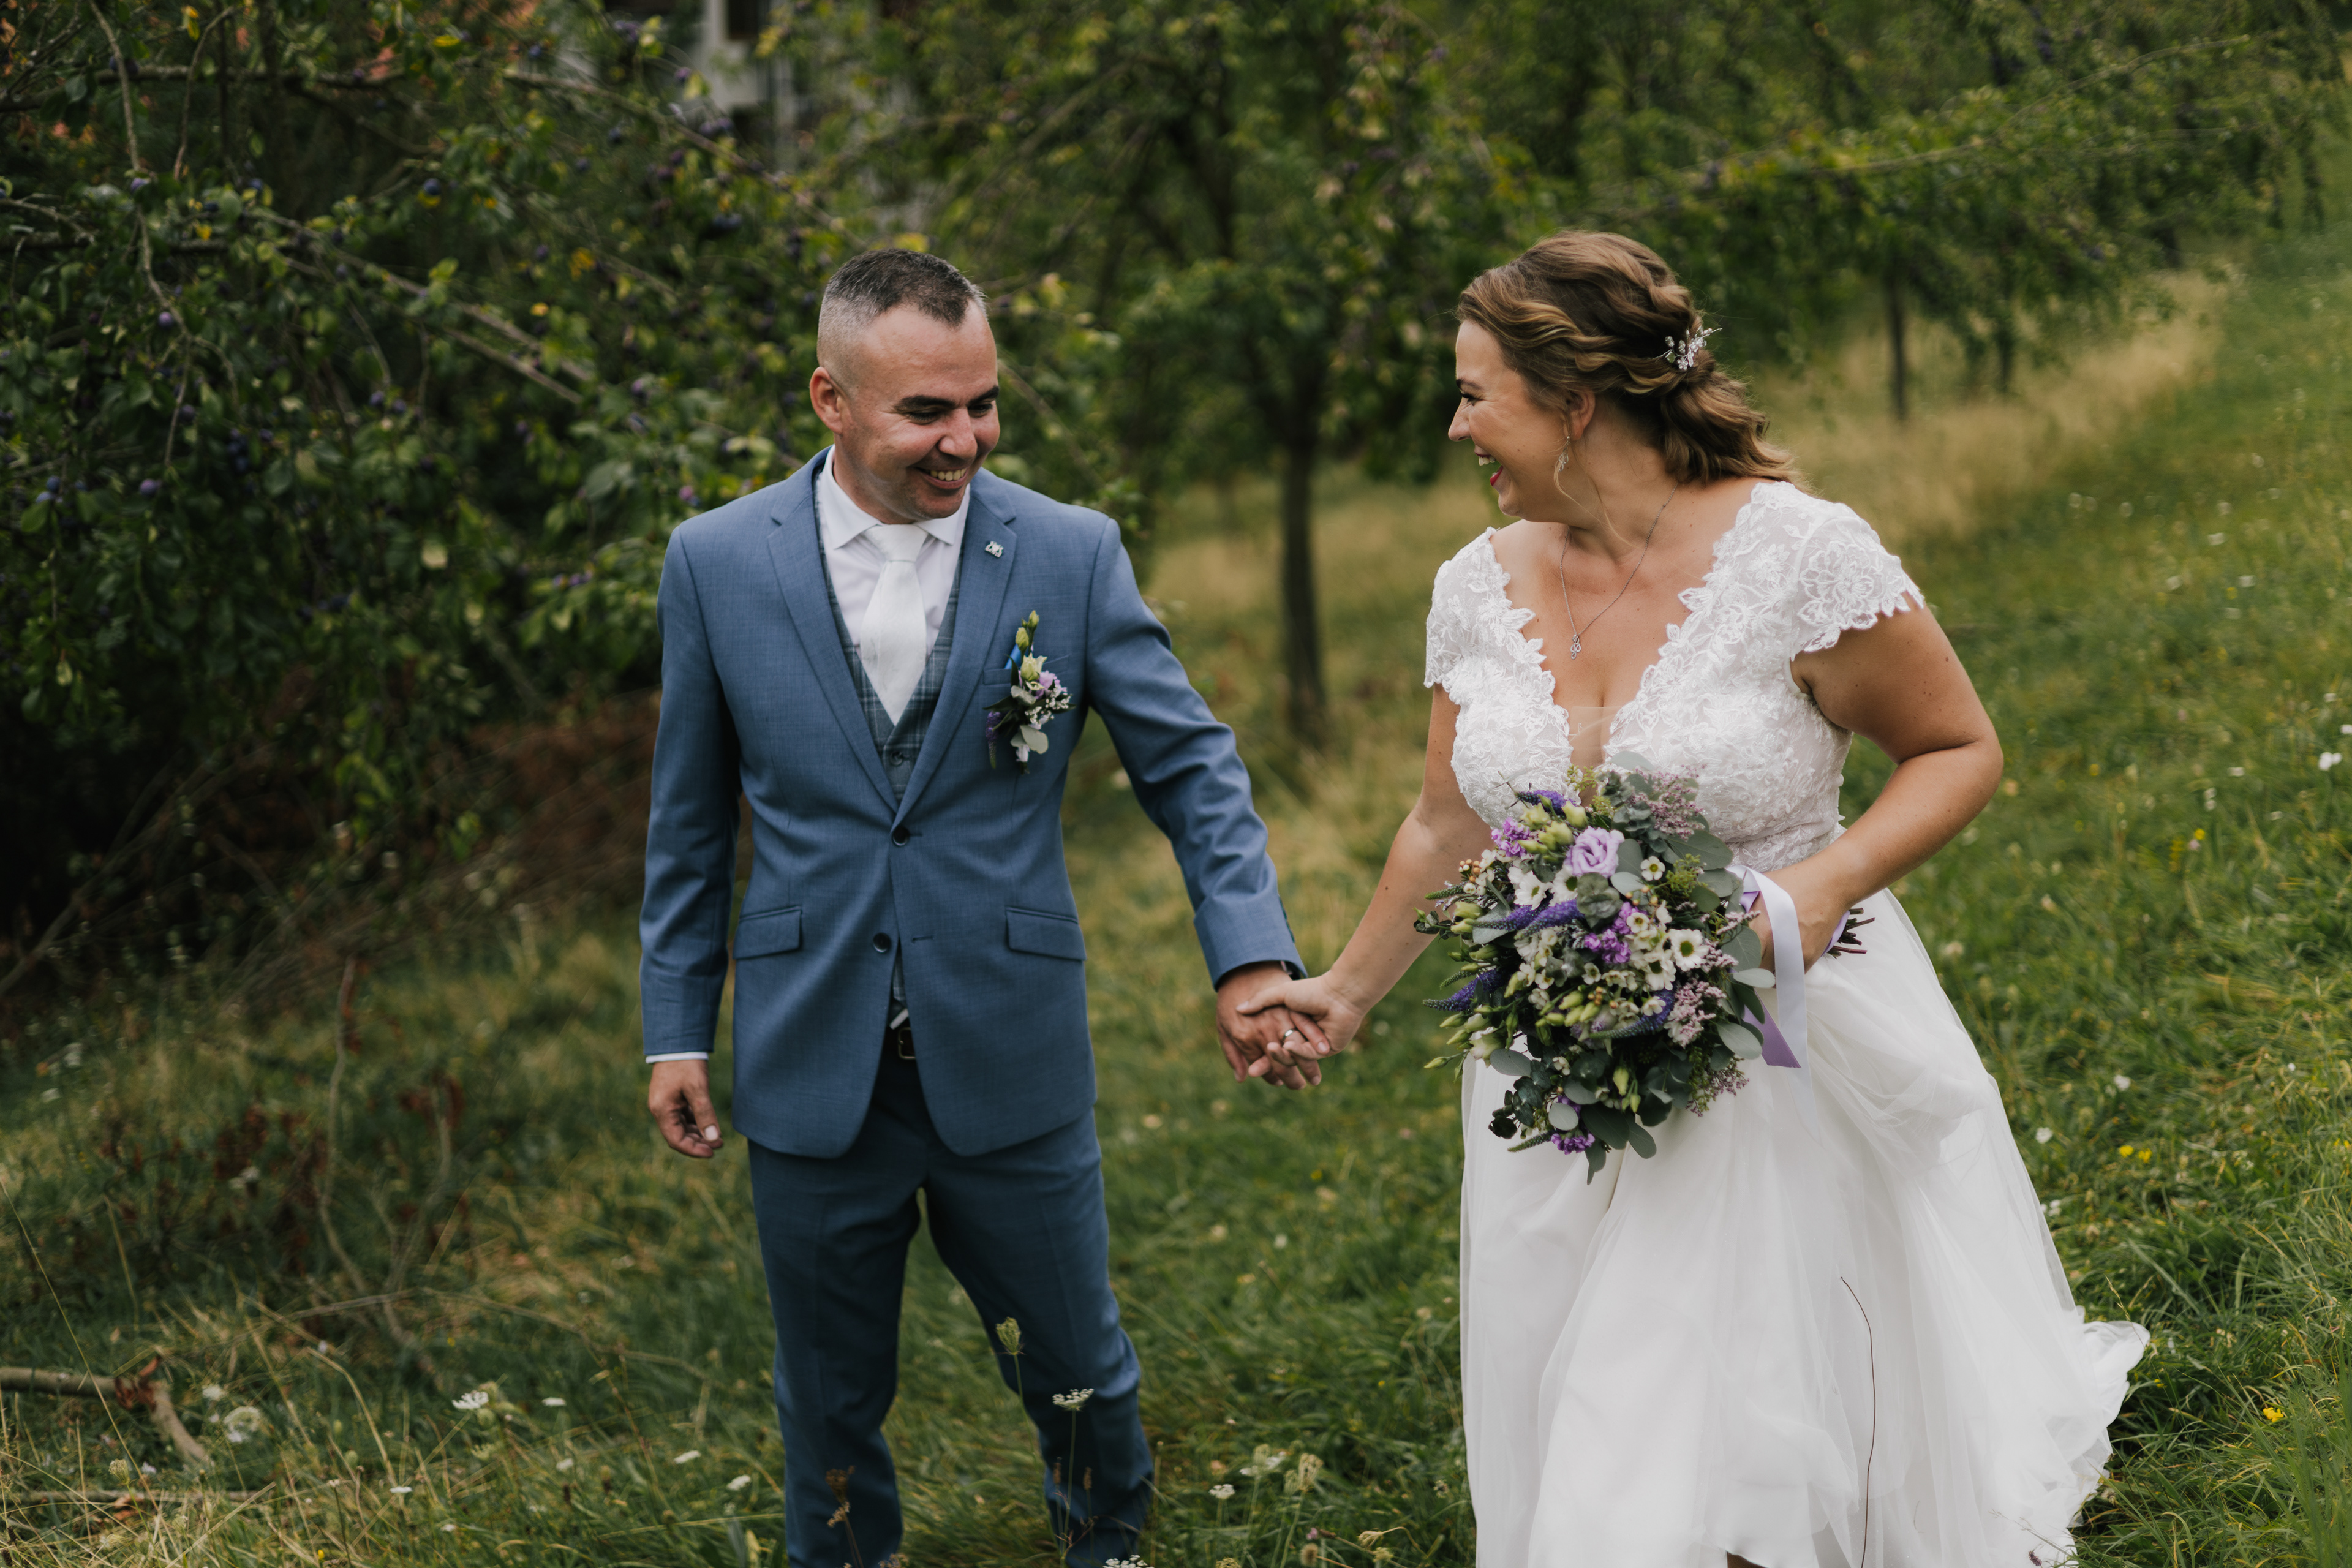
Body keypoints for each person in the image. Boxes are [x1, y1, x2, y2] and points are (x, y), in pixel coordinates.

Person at [1244, 231, 2146, 1567]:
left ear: (1576, 402)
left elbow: (1960, 748)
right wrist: (1347, 989)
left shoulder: (1801, 556)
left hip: (1771, 1049)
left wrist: (1814, 888)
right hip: (1553, 1076)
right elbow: (1447, 818)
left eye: (1477, 394)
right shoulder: (1473, 587)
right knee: (1580, 1386)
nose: (1455, 426)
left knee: (1693, 1430)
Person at [637, 247, 1313, 1568]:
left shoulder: (1068, 548)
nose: (966, 438)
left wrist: (1248, 956)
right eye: (926, 411)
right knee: (826, 1393)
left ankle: (1106, 1546)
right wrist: (676, 1027)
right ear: (830, 400)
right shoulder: (714, 561)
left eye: (983, 403)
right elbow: (690, 818)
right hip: (808, 1047)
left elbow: (1193, 767)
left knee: (1078, 1369)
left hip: (1009, 1034)